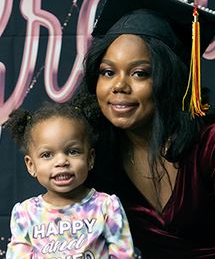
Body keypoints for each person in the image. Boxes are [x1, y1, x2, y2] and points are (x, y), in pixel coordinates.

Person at [77, 0, 215, 259]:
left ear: (170, 80)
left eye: (140, 73)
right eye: (108, 72)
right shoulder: (97, 152)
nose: (118, 86)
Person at [4, 93, 134, 259]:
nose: (61, 161)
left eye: (73, 152)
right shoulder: (26, 213)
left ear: (90, 158)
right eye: (47, 155)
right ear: (31, 165)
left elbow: (123, 254)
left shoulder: (106, 206)